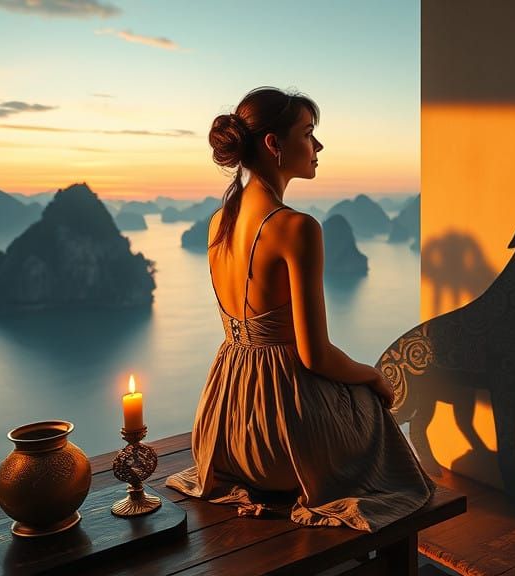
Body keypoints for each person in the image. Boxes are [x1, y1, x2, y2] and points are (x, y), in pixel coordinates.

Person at [165, 87, 434, 531]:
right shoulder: (296, 228)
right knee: (369, 406)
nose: (318, 146)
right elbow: (315, 356)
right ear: (274, 144)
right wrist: (373, 375)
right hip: (280, 445)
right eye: (308, 134)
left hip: (223, 431)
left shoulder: (219, 221)